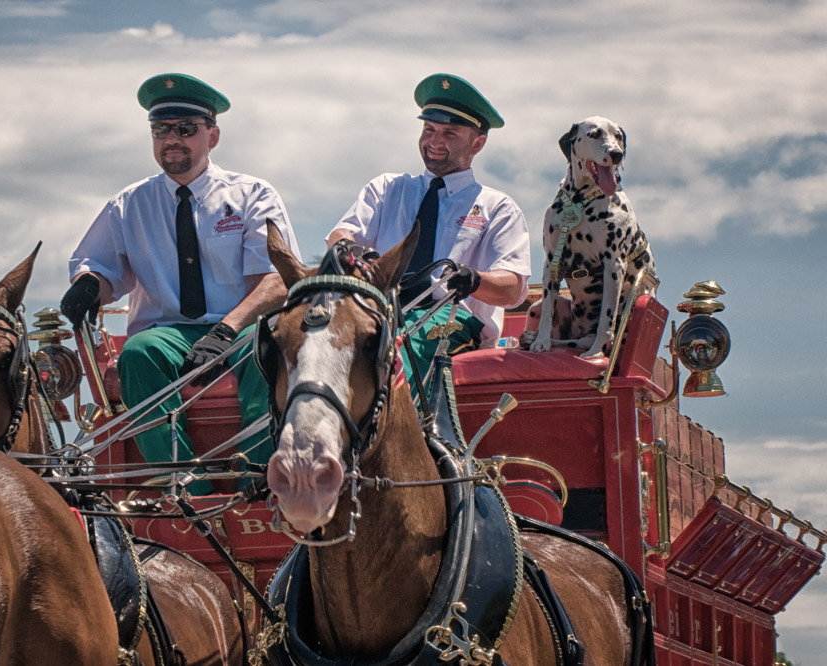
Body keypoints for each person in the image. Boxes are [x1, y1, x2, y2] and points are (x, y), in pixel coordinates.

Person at [62, 73, 300, 493]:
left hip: (244, 328)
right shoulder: (129, 204)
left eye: (186, 129)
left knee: (267, 349)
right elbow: (98, 268)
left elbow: (276, 283)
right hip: (168, 337)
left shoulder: (252, 195)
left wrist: (226, 330)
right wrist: (87, 283)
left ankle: (259, 481)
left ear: (213, 136)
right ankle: (187, 488)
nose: (172, 139)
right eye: (161, 130)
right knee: (138, 353)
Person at [327, 73, 531, 391]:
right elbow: (340, 235)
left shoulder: (497, 207)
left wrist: (472, 280)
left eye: (450, 133)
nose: (435, 141)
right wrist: (352, 251)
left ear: (478, 143)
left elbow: (513, 288)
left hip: (451, 321)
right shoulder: (386, 189)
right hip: (377, 311)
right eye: (429, 129)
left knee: (389, 357)